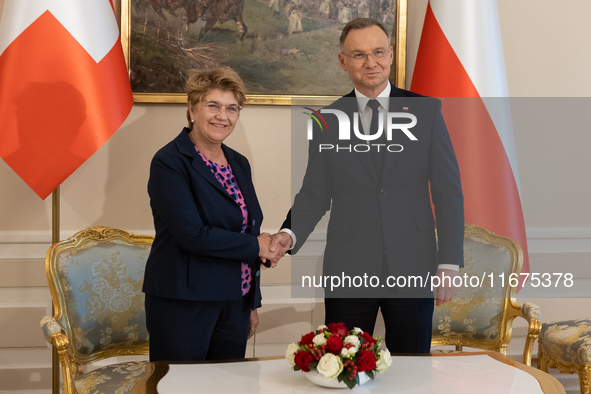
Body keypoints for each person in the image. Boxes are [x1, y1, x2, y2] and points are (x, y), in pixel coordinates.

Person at [269, 18, 464, 353]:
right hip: (349, 266)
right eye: (359, 55)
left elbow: (448, 193)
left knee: (413, 370)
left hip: (413, 265)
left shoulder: (426, 111)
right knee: (343, 369)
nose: (370, 62)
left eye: (377, 52)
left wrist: (448, 263)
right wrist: (290, 233)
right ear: (343, 61)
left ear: (390, 55)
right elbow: (315, 193)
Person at [143, 67, 284, 362]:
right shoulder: (169, 162)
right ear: (192, 109)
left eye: (232, 108)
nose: (223, 116)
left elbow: (247, 227)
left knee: (229, 386)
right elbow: (192, 235)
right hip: (185, 304)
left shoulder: (238, 162)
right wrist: (258, 245)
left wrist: (251, 302)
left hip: (235, 303)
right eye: (213, 106)